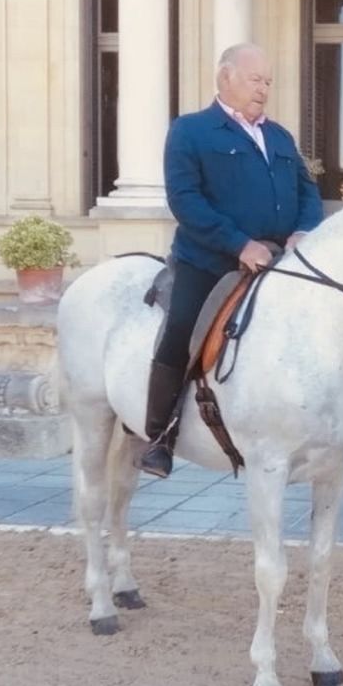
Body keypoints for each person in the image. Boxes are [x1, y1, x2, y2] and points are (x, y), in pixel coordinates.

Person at [128, 43, 323, 476]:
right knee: (181, 330)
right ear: (225, 77)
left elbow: (308, 193)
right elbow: (185, 200)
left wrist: (304, 231)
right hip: (210, 262)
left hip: (278, 261)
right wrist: (239, 244)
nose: (264, 89)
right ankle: (158, 437)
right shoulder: (190, 131)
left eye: (268, 82)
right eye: (256, 80)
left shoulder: (280, 136)